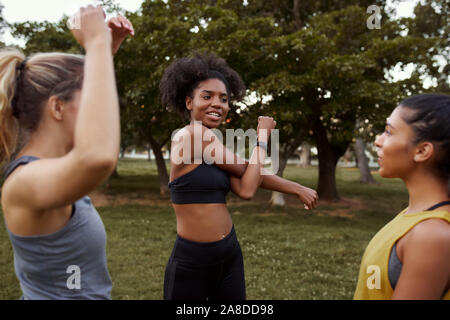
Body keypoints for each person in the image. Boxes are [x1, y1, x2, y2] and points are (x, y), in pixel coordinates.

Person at [160, 53, 319, 300]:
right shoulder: (191, 135)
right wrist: (263, 137)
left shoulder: (213, 143)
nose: (217, 104)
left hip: (229, 254)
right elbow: (249, 183)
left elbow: (248, 181)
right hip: (193, 262)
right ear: (189, 102)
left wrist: (296, 187)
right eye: (207, 96)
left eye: (224, 99)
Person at [0, 6, 134, 299]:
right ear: (57, 107)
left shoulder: (52, 169)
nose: (95, 112)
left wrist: (103, 54)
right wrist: (96, 43)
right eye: (88, 101)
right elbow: (97, 156)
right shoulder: (25, 183)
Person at [354, 93, 450, 300]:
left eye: (389, 132)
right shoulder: (413, 217)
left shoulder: (432, 236)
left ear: (422, 151)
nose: (378, 141)